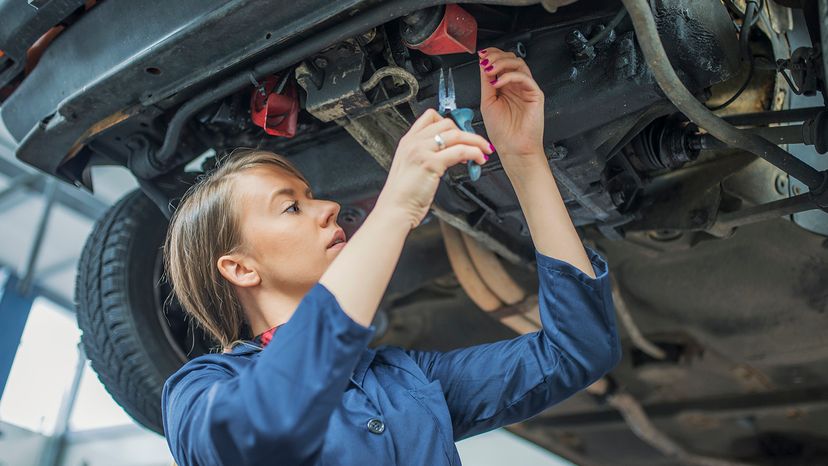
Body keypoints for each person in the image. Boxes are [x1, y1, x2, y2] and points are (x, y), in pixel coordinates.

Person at [161, 47, 620, 466]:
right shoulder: (198, 395)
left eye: (311, 195)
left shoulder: (403, 379)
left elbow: (577, 349)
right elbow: (268, 422)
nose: (329, 208)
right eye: (291, 207)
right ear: (239, 267)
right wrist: (396, 208)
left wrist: (523, 157)